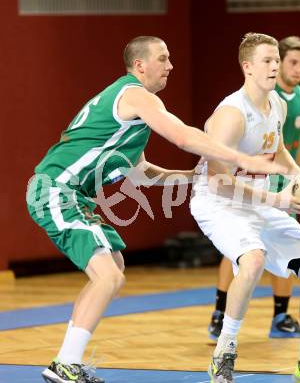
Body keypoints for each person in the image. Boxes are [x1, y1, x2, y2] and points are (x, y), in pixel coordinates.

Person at [26, 36, 285, 383]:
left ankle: (66, 361)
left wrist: (191, 177)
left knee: (113, 268)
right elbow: (181, 136)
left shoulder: (133, 114)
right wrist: (240, 158)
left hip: (69, 194)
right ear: (139, 66)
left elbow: (142, 173)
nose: (170, 66)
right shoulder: (135, 94)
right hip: (55, 189)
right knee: (109, 276)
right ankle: (65, 364)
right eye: (163, 59)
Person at [190, 33, 300, 383]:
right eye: (267, 60)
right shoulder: (232, 114)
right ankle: (224, 354)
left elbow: (276, 149)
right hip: (218, 203)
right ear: (247, 66)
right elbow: (217, 181)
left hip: (256, 200)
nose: (275, 65)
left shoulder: (276, 103)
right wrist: (278, 198)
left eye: (277, 59)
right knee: (254, 260)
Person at [208, 35, 300, 341]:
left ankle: (281, 315)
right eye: (288, 61)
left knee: (292, 246)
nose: (296, 69)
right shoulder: (249, 101)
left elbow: (294, 144)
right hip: (247, 181)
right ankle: (220, 311)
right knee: (242, 248)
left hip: (283, 178)